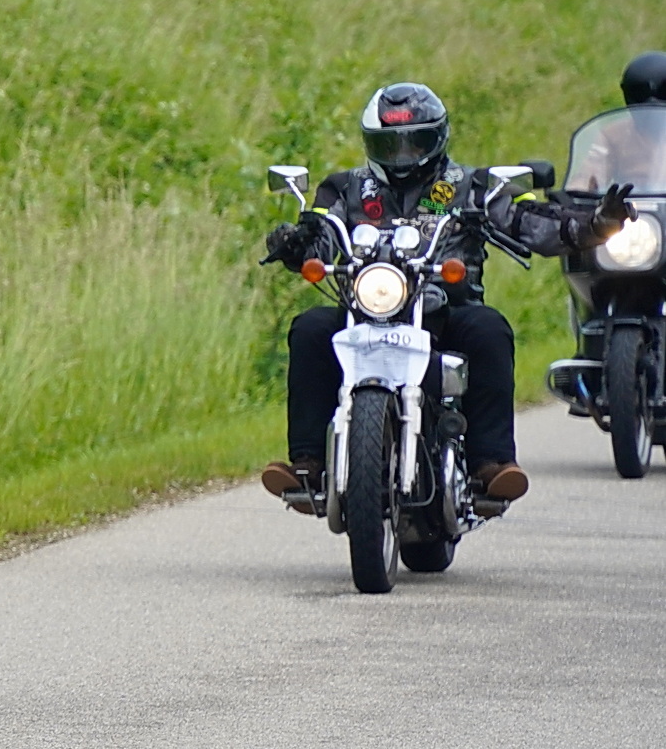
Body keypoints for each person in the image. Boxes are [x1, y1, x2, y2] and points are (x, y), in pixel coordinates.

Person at [260, 82, 631, 507]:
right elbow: (320, 229)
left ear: (437, 139)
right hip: (365, 310)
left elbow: (533, 220)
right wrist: (295, 242)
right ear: (370, 143)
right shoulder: (344, 188)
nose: (401, 156)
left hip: (446, 309)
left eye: (413, 142)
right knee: (309, 328)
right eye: (389, 144)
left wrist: (597, 222)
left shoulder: (475, 185)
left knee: (490, 328)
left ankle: (491, 463)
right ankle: (307, 461)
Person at [567, 51, 666, 193]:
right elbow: (590, 174)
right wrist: (578, 191)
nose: (651, 113)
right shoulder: (614, 134)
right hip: (633, 211)